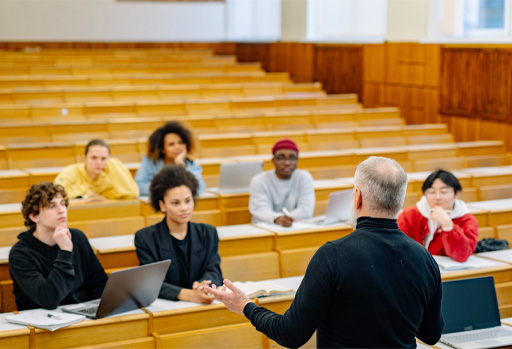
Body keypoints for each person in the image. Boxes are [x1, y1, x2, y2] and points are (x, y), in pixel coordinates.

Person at [207, 157, 444, 348]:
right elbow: (431, 335)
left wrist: (245, 306)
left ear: (357, 197)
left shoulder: (334, 255)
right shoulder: (424, 258)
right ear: (399, 200)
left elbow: (291, 334)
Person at [9, 182, 107, 311]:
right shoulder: (20, 253)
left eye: (62, 204)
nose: (61, 210)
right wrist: (65, 251)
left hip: (79, 317)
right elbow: (49, 299)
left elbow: (99, 284)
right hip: (40, 324)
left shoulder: (77, 238)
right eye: (51, 206)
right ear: (34, 216)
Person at [134, 164, 222, 304]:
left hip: (201, 304)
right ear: (162, 205)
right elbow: (150, 283)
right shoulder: (145, 238)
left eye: (188, 201)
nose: (184, 208)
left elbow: (215, 271)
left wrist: (202, 286)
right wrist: (190, 295)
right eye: (175, 203)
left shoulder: (208, 232)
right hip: (166, 307)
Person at [398, 169, 479, 263]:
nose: (437, 197)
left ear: (456, 194)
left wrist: (448, 225)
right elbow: (397, 246)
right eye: (431, 192)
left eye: (444, 192)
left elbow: (462, 255)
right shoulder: (409, 215)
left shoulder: (467, 220)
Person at [249, 138, 315, 227]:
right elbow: (260, 209)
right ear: (273, 161)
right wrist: (277, 219)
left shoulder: (304, 177)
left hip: (295, 227)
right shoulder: (259, 180)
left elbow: (306, 210)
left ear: (297, 160)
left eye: (292, 158)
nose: (287, 163)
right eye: (281, 158)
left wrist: (286, 220)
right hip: (266, 228)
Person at [135, 121, 205, 197]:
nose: (177, 147)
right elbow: (139, 186)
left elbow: (199, 188)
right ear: (162, 149)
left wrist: (180, 164)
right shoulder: (150, 161)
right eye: (171, 144)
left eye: (180, 143)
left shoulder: (189, 164)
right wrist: (170, 189)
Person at [54, 139, 139, 200]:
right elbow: (55, 193)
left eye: (103, 158)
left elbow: (131, 194)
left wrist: (114, 162)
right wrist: (88, 192)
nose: (99, 162)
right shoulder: (71, 171)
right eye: (94, 158)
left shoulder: (108, 177)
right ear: (85, 158)